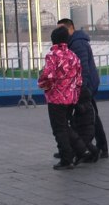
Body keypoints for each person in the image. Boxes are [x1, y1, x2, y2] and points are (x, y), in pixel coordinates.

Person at [38, 26, 92, 170]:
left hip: (56, 98)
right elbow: (79, 79)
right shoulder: (73, 55)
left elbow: (48, 76)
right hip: (71, 97)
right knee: (65, 126)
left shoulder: (53, 56)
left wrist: (42, 84)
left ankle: (66, 158)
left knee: (59, 129)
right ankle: (82, 150)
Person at [59, 18, 108, 159]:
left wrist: (82, 89)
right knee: (90, 116)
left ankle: (95, 148)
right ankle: (93, 147)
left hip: (86, 86)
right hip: (84, 85)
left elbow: (83, 69)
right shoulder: (73, 42)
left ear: (70, 29)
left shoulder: (77, 43)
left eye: (61, 29)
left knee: (90, 117)